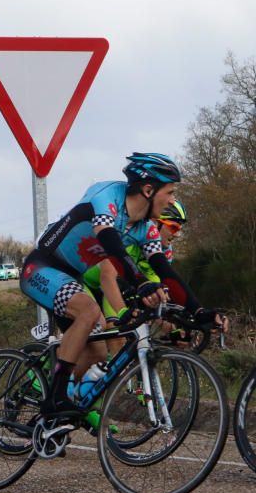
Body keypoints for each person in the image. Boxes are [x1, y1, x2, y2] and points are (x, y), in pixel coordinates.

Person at [19, 153, 220, 425]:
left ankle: (49, 404)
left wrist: (199, 311)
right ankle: (55, 398)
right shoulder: (106, 196)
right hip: (42, 267)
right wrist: (141, 282)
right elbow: (110, 242)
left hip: (72, 278)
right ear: (148, 190)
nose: (172, 200)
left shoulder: (145, 229)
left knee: (97, 352)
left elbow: (165, 271)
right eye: (170, 192)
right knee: (89, 312)